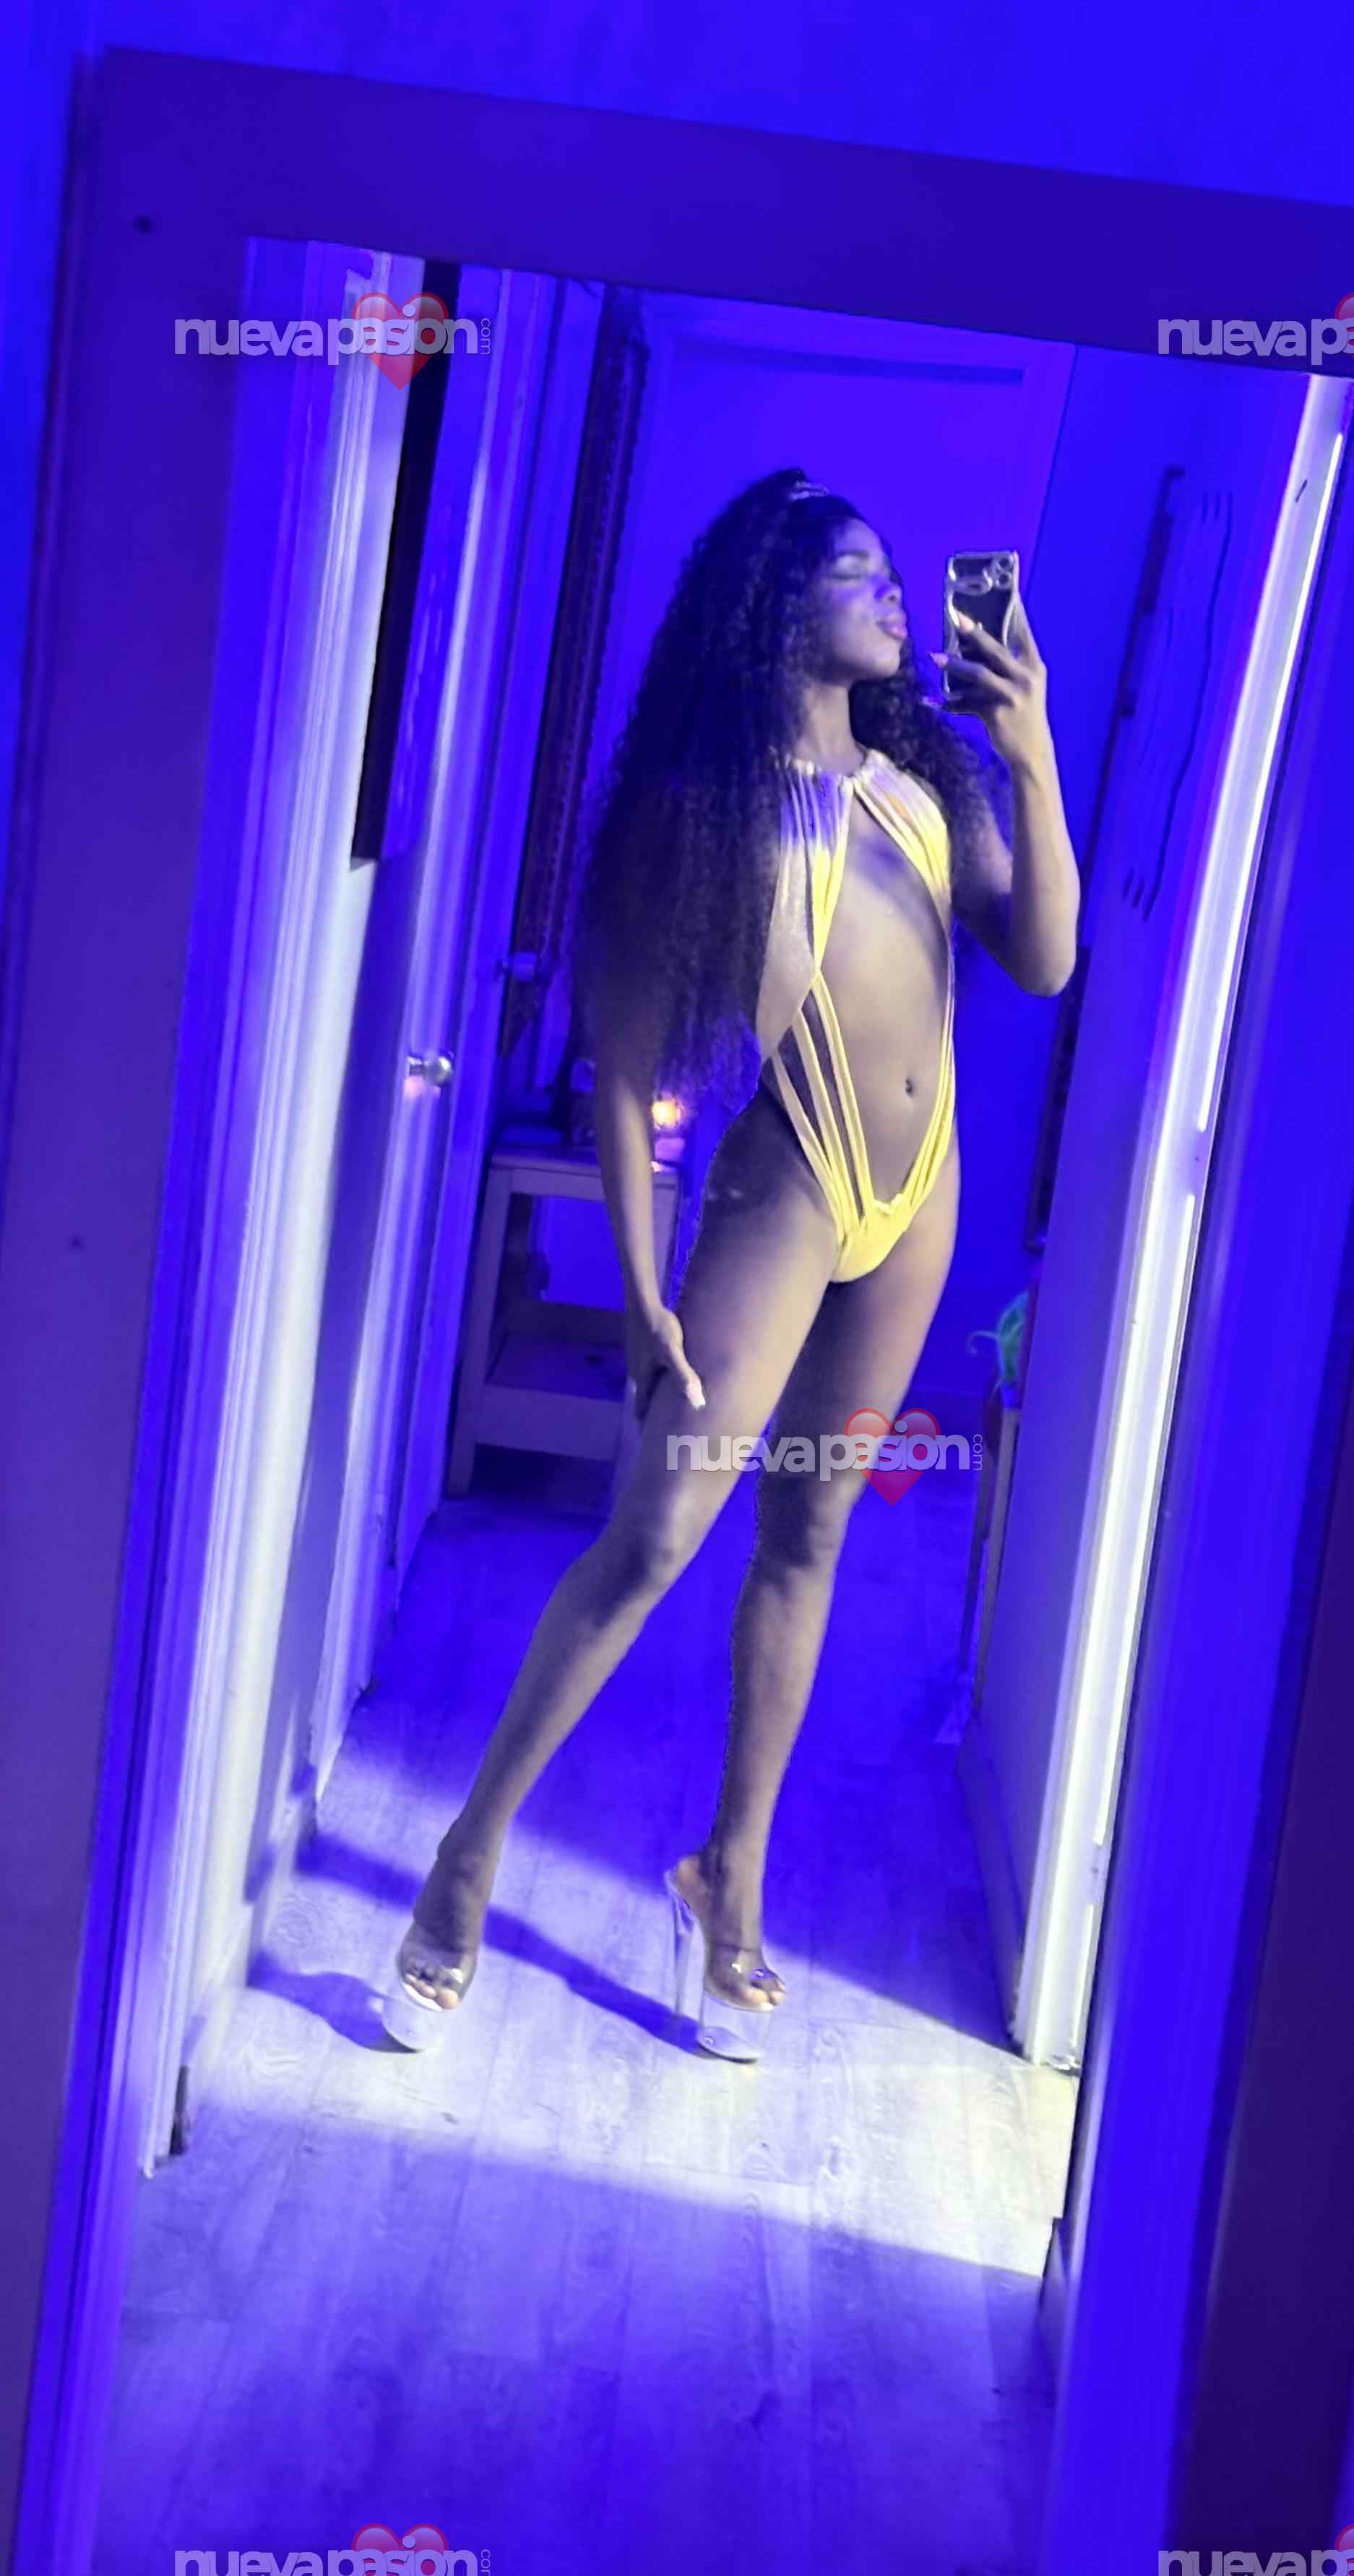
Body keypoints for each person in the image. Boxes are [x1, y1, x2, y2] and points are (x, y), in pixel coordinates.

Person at [384, 467, 1079, 2060]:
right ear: (775, 606)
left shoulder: (930, 784)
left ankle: (729, 1879)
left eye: (897, 571)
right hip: (787, 1193)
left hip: (922, 1203)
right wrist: (640, 1289)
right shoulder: (706, 813)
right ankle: (468, 1853)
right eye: (858, 571)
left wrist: (1030, 748)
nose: (894, 593)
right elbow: (626, 1067)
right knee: (653, 1539)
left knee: (813, 1530)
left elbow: (1044, 962)